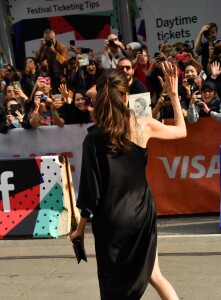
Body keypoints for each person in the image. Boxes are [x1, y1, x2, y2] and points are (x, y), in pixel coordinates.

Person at [70, 61, 186, 299]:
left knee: (113, 285)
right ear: (126, 97)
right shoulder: (143, 126)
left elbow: (90, 192)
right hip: (141, 212)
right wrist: (174, 96)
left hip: (111, 218)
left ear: (101, 98)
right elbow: (181, 131)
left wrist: (79, 229)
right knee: (155, 274)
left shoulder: (93, 139)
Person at [34, 29, 69, 93]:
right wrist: (41, 47)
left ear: (54, 37)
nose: (49, 41)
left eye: (51, 39)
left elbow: (66, 63)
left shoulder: (62, 47)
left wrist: (54, 51)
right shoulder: (46, 47)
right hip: (52, 78)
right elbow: (37, 60)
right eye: (47, 40)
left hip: (63, 77)